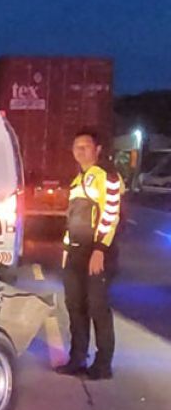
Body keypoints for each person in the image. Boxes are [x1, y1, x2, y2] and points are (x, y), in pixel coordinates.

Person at [55, 129, 122, 381]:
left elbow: (111, 214)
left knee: (97, 308)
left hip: (97, 254)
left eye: (85, 146)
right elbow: (72, 220)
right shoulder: (77, 181)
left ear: (98, 149)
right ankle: (77, 359)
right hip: (74, 254)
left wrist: (100, 250)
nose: (80, 151)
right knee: (75, 307)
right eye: (76, 147)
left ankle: (103, 365)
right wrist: (65, 249)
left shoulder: (107, 176)